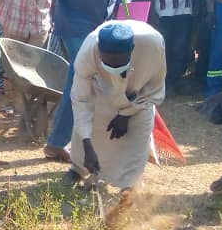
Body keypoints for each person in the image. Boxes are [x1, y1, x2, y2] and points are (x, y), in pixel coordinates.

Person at [44, 0, 139, 162]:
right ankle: (59, 142)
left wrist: (127, 6)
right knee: (82, 76)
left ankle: (85, 138)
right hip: (75, 23)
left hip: (105, 25)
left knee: (92, 80)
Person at [64, 21, 165, 197]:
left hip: (140, 97)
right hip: (103, 89)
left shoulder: (152, 44)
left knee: (137, 139)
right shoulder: (88, 52)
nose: (113, 66)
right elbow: (81, 100)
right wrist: (87, 145)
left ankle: (129, 186)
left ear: (132, 49)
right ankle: (78, 169)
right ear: (99, 50)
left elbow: (154, 89)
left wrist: (126, 114)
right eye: (108, 61)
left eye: (118, 62)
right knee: (93, 126)